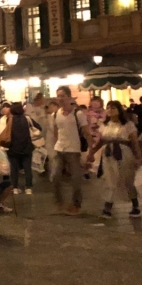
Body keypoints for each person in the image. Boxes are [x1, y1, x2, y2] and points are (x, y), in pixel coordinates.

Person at [86, 100, 142, 218]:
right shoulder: (105, 125)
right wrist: (91, 153)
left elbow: (134, 142)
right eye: (108, 108)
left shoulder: (128, 125)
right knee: (110, 180)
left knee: (127, 179)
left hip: (124, 153)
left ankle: (135, 204)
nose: (110, 110)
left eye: (113, 108)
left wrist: (138, 157)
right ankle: (108, 207)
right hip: (108, 154)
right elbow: (101, 141)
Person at [50, 86, 90, 215]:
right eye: (58, 95)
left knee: (76, 179)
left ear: (68, 97)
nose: (60, 98)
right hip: (59, 149)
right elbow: (56, 132)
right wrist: (56, 144)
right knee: (55, 176)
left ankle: (76, 204)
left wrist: (91, 151)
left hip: (74, 149)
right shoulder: (55, 114)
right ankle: (59, 202)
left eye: (62, 95)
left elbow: (86, 133)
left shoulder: (78, 114)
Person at [0, 102, 38, 195]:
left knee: (14, 168)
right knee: (27, 168)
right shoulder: (27, 118)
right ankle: (28, 188)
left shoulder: (10, 119)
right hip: (26, 147)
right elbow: (38, 127)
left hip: (13, 148)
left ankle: (15, 187)